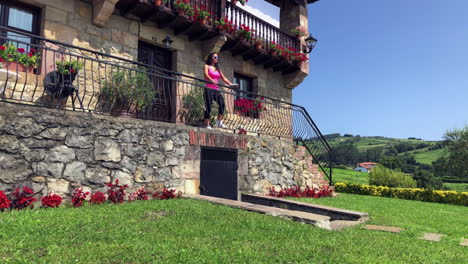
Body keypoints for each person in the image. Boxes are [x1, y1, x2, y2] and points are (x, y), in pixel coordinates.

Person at [203, 52, 235, 129]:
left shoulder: (218, 69)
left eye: (217, 57)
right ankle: (207, 124)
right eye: (215, 57)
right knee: (208, 106)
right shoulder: (206, 66)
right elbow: (206, 75)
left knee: (222, 104)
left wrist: (231, 84)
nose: (217, 59)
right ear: (211, 58)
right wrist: (212, 81)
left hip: (216, 89)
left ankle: (219, 122)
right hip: (209, 89)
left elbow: (224, 78)